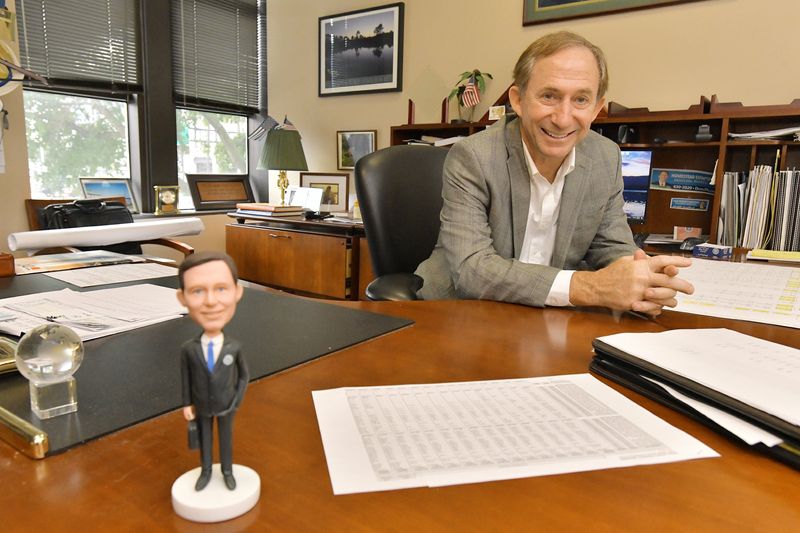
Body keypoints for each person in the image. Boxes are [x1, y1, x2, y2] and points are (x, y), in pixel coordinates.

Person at [415, 31, 693, 316]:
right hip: (460, 311)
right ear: (518, 100)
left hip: (547, 314)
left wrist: (641, 279)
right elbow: (472, 270)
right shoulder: (474, 157)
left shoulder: (605, 158)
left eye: (581, 100)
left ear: (597, 108)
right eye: (549, 96)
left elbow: (612, 246)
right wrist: (591, 287)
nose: (562, 119)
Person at [177, 251, 249, 491]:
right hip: (201, 406)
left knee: (226, 440)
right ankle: (206, 470)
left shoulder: (234, 347)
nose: (210, 301)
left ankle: (227, 471)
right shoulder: (188, 349)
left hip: (227, 405)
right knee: (205, 439)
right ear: (182, 297)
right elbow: (186, 379)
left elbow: (243, 376)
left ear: (237, 292)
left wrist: (236, 402)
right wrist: (186, 404)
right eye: (197, 291)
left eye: (221, 289)